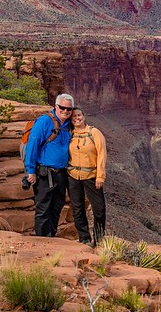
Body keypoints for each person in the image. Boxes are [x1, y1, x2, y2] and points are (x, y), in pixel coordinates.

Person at [24, 93, 74, 237]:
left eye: (68, 109)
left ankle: (51, 236)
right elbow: (32, 145)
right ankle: (42, 240)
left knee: (57, 206)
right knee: (43, 207)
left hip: (61, 173)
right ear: (56, 106)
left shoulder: (68, 125)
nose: (65, 111)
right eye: (62, 108)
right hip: (45, 172)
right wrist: (30, 170)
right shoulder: (45, 121)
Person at [67, 106, 107, 246]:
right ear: (71, 120)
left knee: (99, 209)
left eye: (79, 115)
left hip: (91, 175)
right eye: (74, 117)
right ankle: (84, 238)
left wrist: (100, 176)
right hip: (73, 175)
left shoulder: (94, 132)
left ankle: (98, 239)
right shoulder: (69, 133)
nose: (77, 118)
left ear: (84, 116)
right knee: (77, 209)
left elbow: (102, 154)